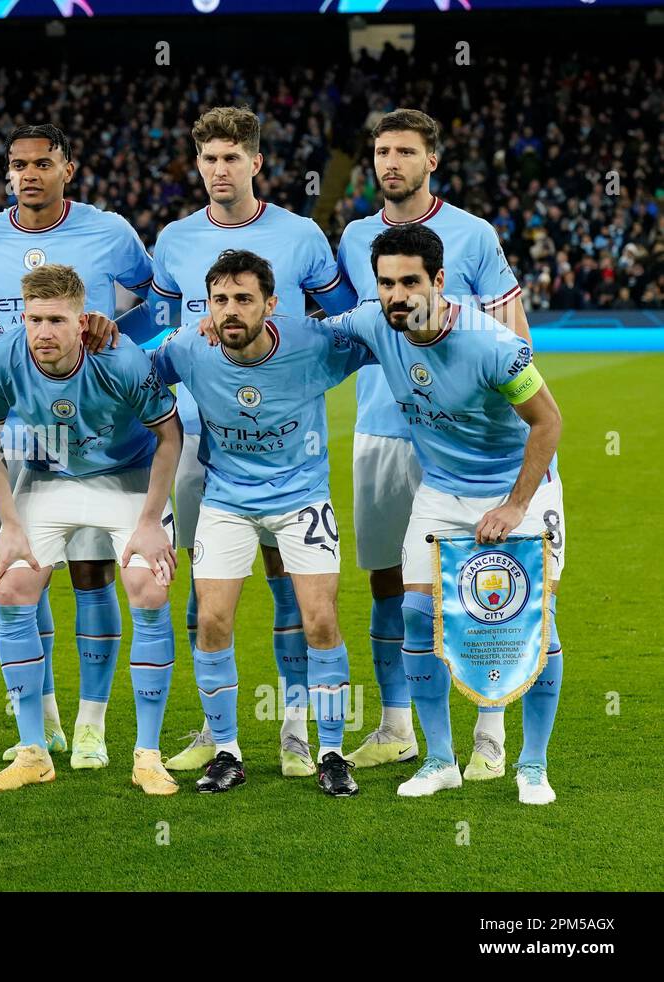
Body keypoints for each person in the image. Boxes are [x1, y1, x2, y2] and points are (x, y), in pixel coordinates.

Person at [151, 106, 358, 777]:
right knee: (208, 605)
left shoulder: (300, 236)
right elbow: (146, 346)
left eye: (231, 158)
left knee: (301, 602)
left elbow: (352, 318)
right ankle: (222, 739)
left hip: (291, 447)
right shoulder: (176, 240)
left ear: (255, 162)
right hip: (202, 444)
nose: (219, 170)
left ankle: (301, 731)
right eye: (208, 158)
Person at [326, 223, 564, 805]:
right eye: (385, 283)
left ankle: (532, 767)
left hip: (517, 490)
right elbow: (304, 339)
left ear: (438, 280)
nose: (396, 295)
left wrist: (514, 504)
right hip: (442, 491)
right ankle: (439, 760)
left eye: (410, 281)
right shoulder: (374, 323)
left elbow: (549, 422)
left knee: (527, 625)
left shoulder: (493, 345)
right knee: (413, 612)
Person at [337, 109, 532, 779]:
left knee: (479, 581)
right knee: (389, 582)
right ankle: (396, 726)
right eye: (381, 151)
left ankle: (488, 726)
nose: (389, 162)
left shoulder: (472, 235)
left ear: (432, 161)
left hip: (464, 446)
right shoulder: (357, 235)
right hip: (380, 432)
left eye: (405, 151)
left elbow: (512, 331)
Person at [0, 123, 155, 768]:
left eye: (42, 163)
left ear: (66, 168)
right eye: (18, 165)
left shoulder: (112, 233)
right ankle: (40, 720)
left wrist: (113, 333)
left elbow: (150, 313)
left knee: (93, 573)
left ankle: (93, 726)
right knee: (24, 579)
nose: (28, 175)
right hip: (28, 435)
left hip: (103, 433)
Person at [0, 264, 183, 795]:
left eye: (56, 320)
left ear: (81, 321)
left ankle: (148, 755)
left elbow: (170, 437)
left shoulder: (121, 360)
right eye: (34, 318)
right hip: (49, 475)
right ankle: (34, 751)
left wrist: (152, 521)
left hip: (126, 478)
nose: (43, 332)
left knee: (149, 587)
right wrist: (10, 526)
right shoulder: (4, 357)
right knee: (11, 582)